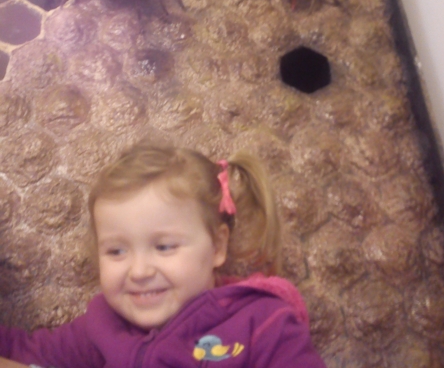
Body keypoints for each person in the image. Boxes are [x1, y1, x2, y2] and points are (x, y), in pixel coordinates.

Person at [0, 140, 327, 367]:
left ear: (217, 246)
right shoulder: (100, 325)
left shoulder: (264, 324)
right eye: (116, 251)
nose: (139, 271)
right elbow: (24, 352)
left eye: (164, 247)